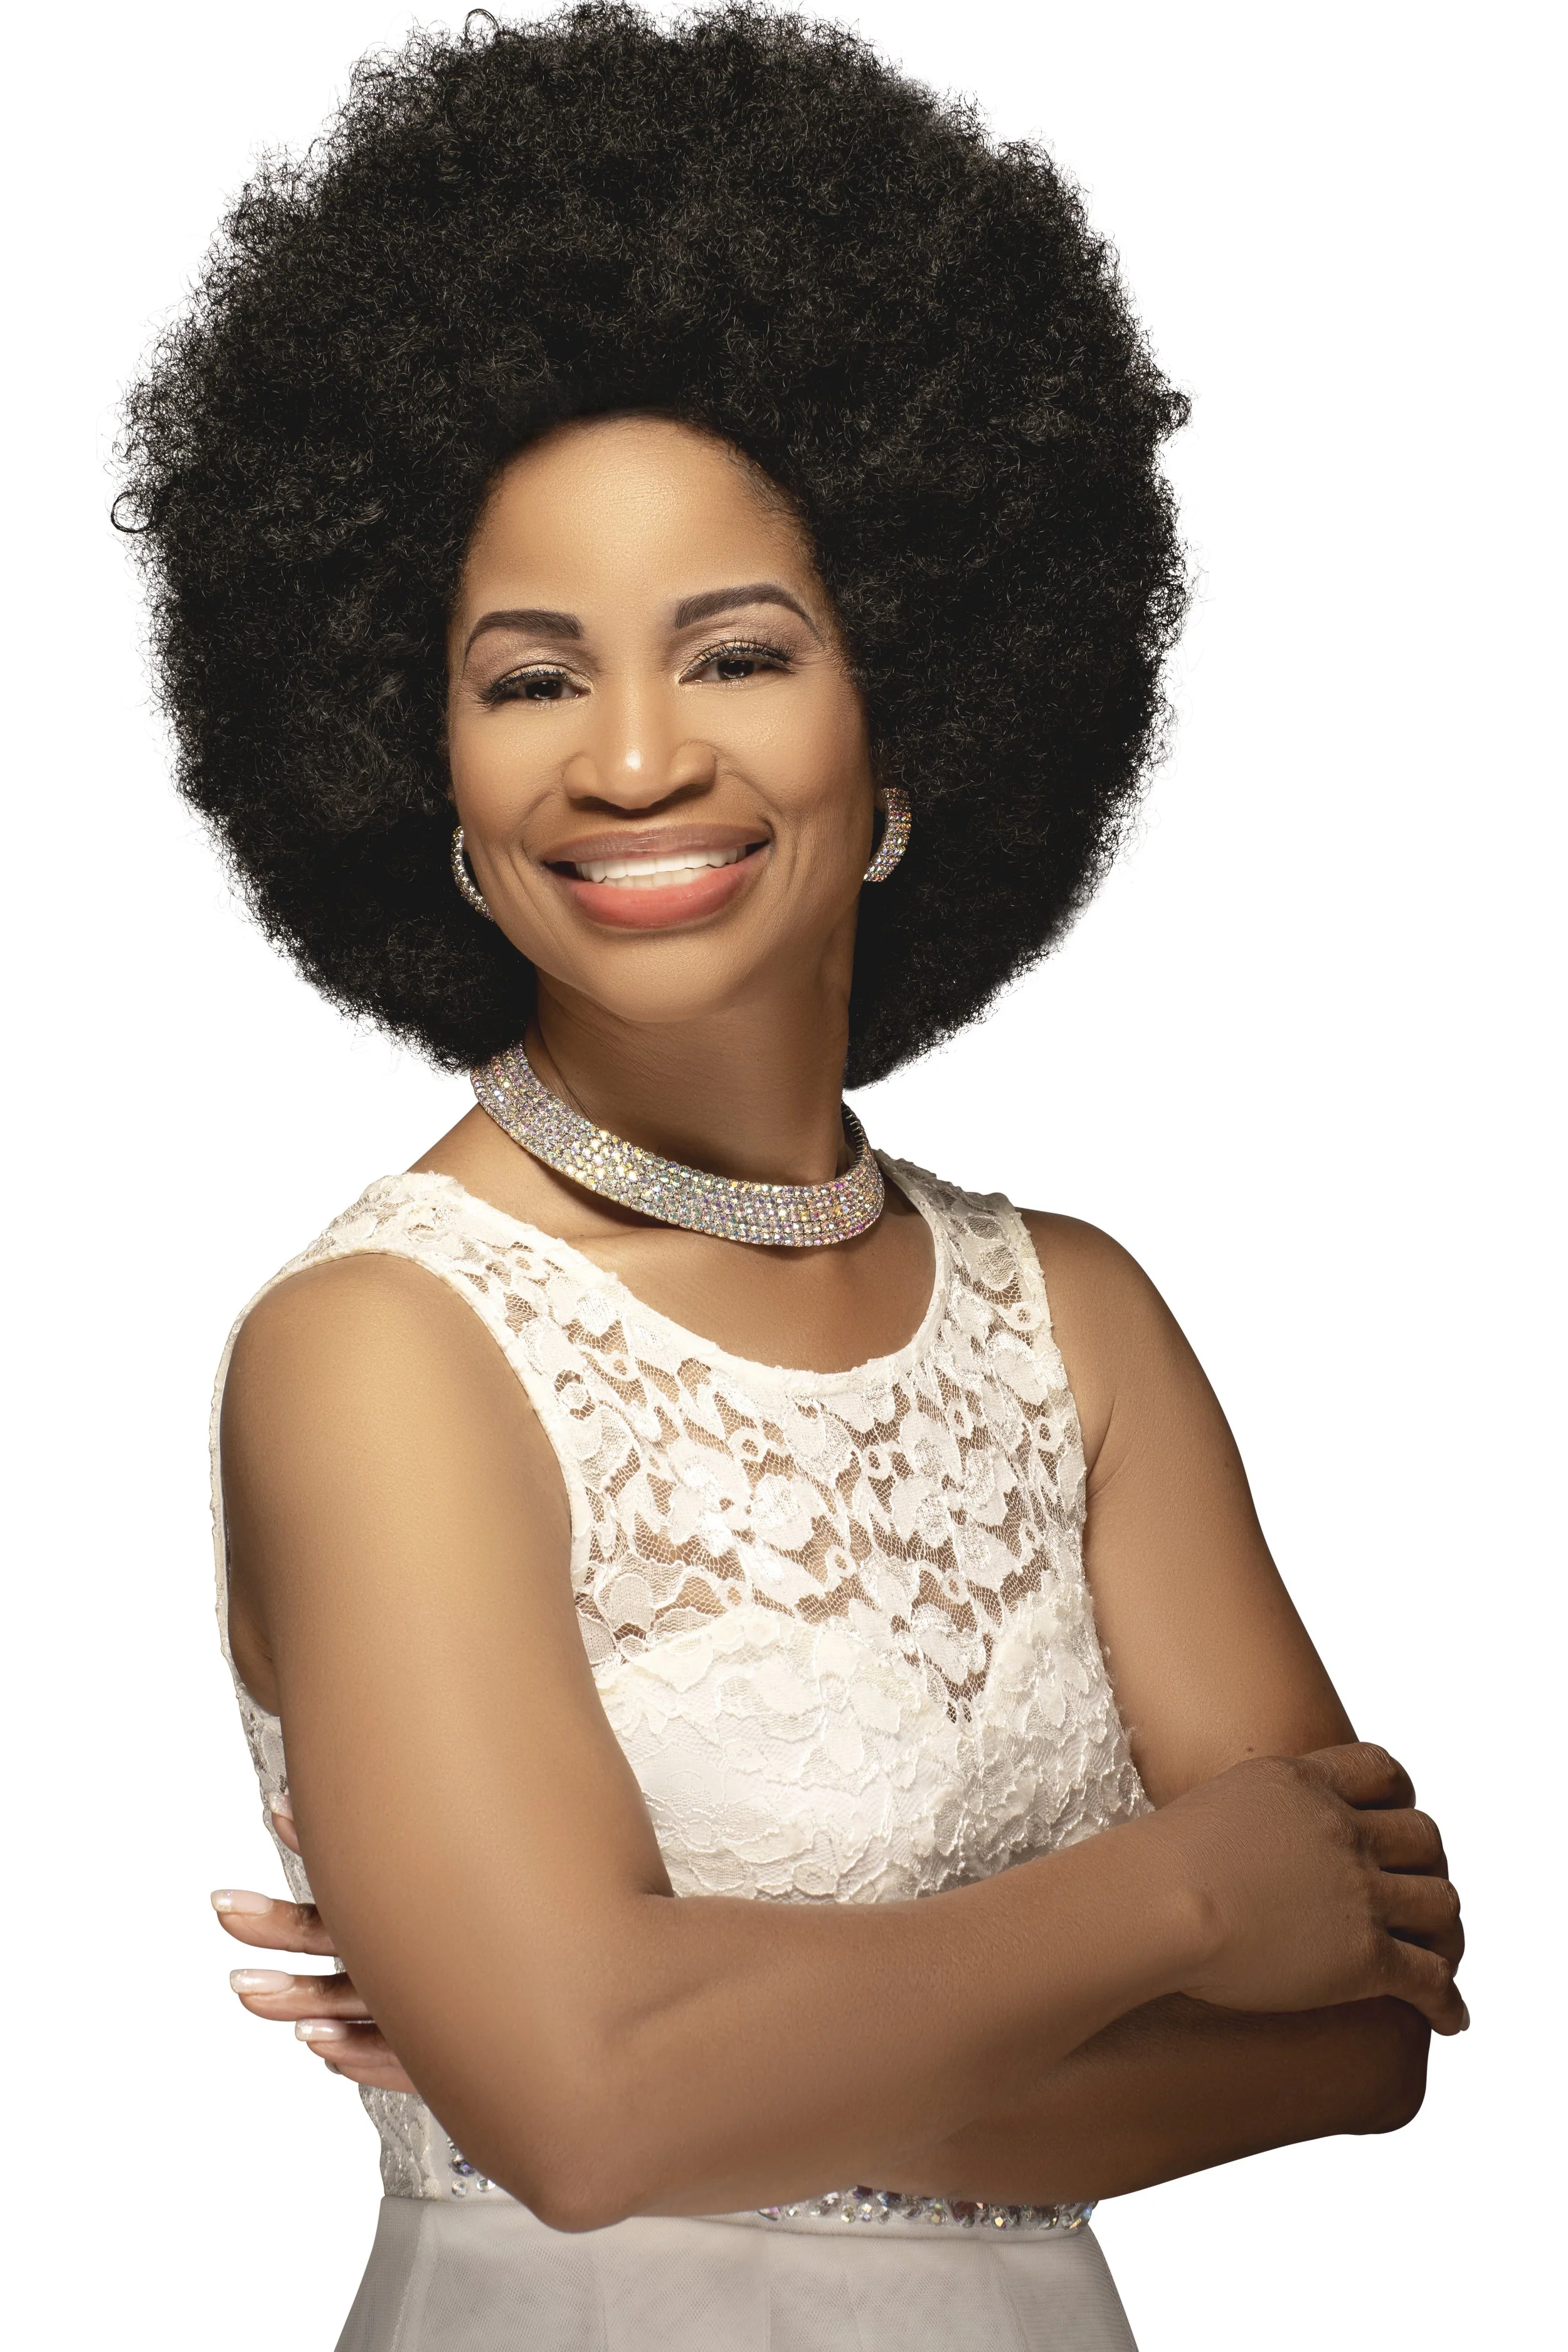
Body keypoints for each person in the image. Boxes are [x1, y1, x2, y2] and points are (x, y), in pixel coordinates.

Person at [117, 9, 1465, 2348]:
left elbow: (1358, 2033)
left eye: (735, 653)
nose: (633, 758)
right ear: (425, 774)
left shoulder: (1075, 1319)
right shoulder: (378, 1348)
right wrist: (1174, 1901)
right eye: (529, 679)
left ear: (906, 712)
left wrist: (718, 2057)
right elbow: (588, 2113)